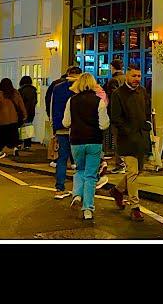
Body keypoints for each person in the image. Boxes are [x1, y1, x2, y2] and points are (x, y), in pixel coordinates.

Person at [61, 73, 110, 220]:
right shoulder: (99, 101)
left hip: (76, 141)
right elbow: (104, 124)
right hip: (94, 141)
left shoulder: (71, 101)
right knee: (90, 176)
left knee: (80, 171)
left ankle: (77, 195)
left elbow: (66, 122)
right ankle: (88, 208)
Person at [108, 64, 152, 222]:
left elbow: (147, 110)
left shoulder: (142, 92)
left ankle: (118, 190)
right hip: (126, 139)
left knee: (137, 170)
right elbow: (115, 118)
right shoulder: (118, 94)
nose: (137, 79)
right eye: (134, 76)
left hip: (141, 137)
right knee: (133, 172)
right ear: (127, 75)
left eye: (139, 76)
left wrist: (148, 124)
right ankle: (135, 207)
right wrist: (127, 131)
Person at [50, 66, 82, 199]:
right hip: (78, 128)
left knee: (62, 159)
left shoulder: (57, 88)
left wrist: (54, 128)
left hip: (61, 128)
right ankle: (80, 190)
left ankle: (59, 188)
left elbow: (52, 107)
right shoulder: (81, 88)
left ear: (68, 74)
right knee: (80, 161)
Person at [0, 78, 27, 159]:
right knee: (13, 134)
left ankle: (0, 150)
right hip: (13, 118)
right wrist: (24, 115)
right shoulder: (15, 93)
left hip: (2, 119)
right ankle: (15, 148)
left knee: (1, 135)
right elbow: (21, 105)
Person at [104, 59, 127, 173]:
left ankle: (120, 164)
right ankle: (127, 162)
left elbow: (112, 98)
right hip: (128, 114)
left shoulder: (113, 80)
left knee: (118, 139)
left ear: (112, 67)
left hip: (116, 114)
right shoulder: (126, 79)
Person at [18, 76, 37, 150]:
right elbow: (35, 101)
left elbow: (19, 102)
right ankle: (27, 145)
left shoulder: (20, 90)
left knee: (19, 128)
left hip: (22, 112)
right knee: (28, 128)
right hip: (31, 112)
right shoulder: (33, 90)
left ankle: (19, 143)